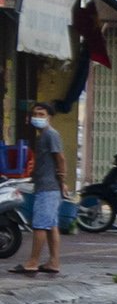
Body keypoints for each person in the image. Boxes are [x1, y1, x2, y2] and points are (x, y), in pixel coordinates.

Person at [11, 103, 62, 275]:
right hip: (46, 185)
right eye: (34, 114)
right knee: (51, 225)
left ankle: (33, 262)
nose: (37, 117)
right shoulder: (43, 136)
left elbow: (60, 158)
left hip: (48, 187)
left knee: (40, 225)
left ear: (49, 116)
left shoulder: (50, 135)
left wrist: (62, 179)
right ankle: (53, 262)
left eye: (41, 114)